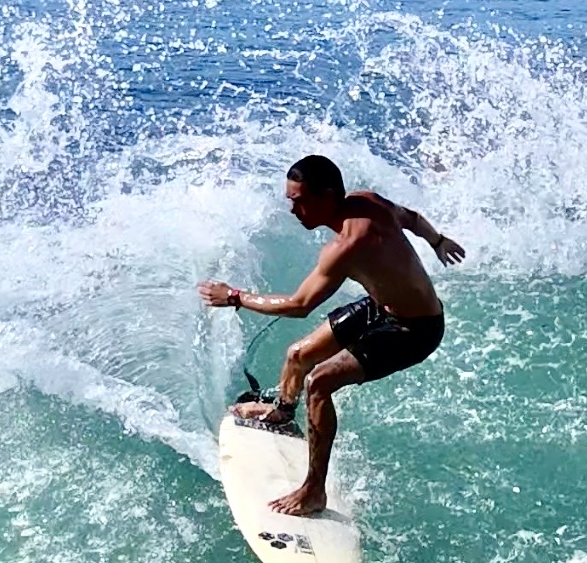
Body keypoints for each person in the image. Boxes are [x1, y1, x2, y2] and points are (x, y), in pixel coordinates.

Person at [198, 155, 464, 517]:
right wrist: (438, 240)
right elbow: (413, 219)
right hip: (381, 305)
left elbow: (299, 304)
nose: (293, 210)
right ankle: (282, 413)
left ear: (326, 196)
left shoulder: (347, 246)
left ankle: (313, 491)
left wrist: (235, 297)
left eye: (298, 201)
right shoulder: (369, 202)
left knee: (319, 381)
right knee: (297, 356)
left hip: (415, 329)